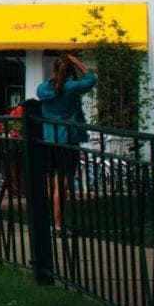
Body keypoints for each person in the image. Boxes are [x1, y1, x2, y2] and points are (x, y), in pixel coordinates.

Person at [34, 52, 96, 227]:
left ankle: (46, 219)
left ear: (52, 69)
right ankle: (58, 221)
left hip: (48, 138)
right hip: (67, 139)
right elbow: (91, 79)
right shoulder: (72, 88)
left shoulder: (42, 89)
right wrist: (79, 63)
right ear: (70, 71)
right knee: (62, 182)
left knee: (49, 180)